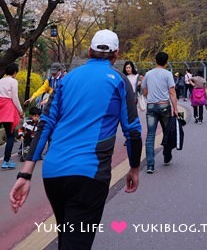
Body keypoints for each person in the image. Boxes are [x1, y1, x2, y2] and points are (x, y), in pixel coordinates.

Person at [10, 29, 142, 250]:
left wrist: (25, 173)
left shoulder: (66, 80)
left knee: (68, 239)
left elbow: (45, 124)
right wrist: (134, 168)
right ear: (116, 54)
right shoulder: (119, 81)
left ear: (89, 51)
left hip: (53, 173)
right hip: (89, 174)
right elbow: (133, 131)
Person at [141, 51, 178, 173]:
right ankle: (167, 157)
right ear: (166, 62)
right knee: (167, 133)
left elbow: (145, 92)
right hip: (164, 106)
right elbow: (172, 93)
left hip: (151, 107)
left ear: (155, 60)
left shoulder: (148, 74)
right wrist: (175, 109)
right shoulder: (168, 74)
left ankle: (150, 165)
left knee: (150, 135)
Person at [0, 63, 24, 169]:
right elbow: (14, 97)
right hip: (8, 109)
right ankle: (6, 161)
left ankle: (6, 161)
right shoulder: (14, 81)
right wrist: (20, 110)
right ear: (14, 72)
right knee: (10, 135)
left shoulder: (1, 80)